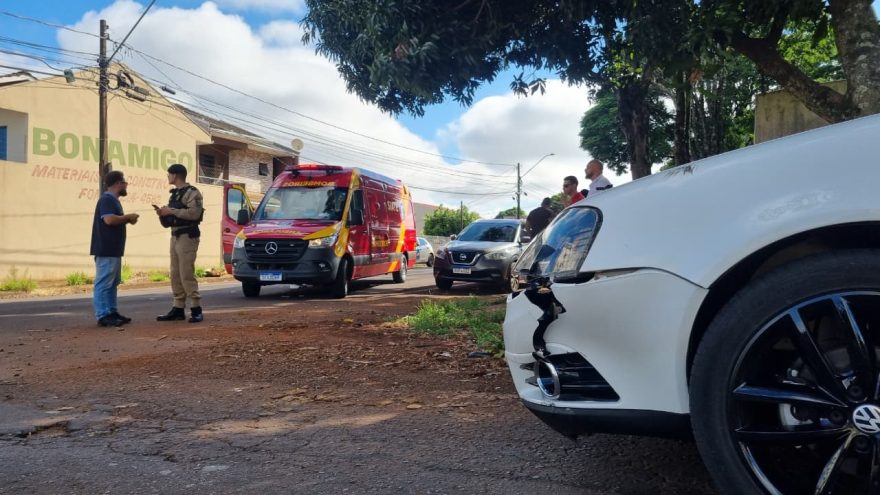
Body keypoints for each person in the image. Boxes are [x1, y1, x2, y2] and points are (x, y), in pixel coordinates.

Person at [155, 164, 205, 323]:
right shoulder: (175, 194)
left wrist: (171, 211)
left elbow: (194, 213)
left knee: (186, 272)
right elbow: (175, 215)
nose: (167, 177)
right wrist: (163, 213)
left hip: (187, 236)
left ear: (175, 175)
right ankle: (178, 308)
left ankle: (196, 308)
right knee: (175, 273)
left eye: (169, 174)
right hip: (175, 235)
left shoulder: (192, 192)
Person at [90, 170, 139, 327]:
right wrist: (128, 217)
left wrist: (126, 219)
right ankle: (103, 314)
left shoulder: (112, 200)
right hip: (106, 249)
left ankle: (111, 311)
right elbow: (109, 220)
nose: (126, 185)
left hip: (113, 249)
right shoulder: (107, 199)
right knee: (104, 282)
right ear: (118, 183)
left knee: (112, 282)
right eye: (124, 182)